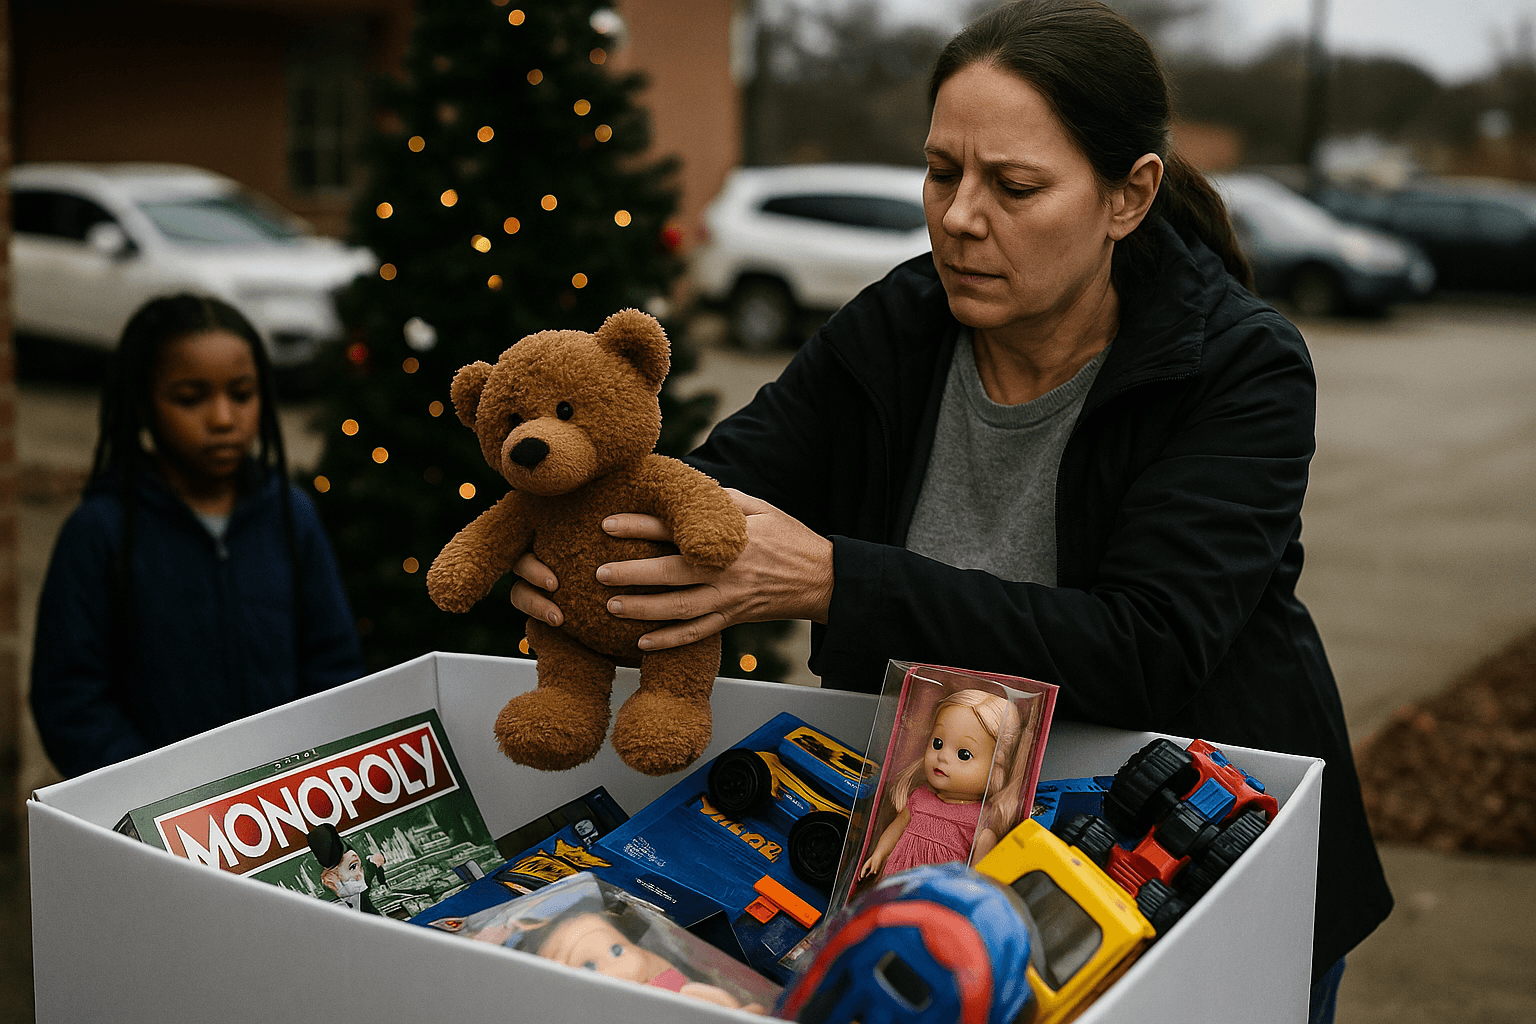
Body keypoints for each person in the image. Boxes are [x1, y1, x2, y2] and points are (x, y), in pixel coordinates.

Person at [511, 1, 1391, 1017]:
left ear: (1129, 194)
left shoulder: (1240, 366)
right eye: (942, 172)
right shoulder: (900, 320)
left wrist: (837, 579)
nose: (961, 216)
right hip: (931, 855)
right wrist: (592, 555)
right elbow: (720, 492)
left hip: (1194, 869)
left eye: (1015, 185)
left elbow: (1150, 644)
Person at [30, 294, 366, 777]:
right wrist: (149, 794)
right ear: (143, 405)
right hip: (156, 822)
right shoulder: (99, 530)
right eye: (191, 398)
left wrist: (305, 769)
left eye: (243, 394)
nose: (223, 419)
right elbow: (71, 697)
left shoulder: (292, 514)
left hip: (286, 806)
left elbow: (335, 666)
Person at [858, 688, 1024, 879]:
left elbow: (978, 876)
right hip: (898, 877)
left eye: (964, 755)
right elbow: (896, 828)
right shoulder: (919, 797)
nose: (943, 756)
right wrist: (878, 854)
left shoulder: (981, 820)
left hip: (940, 888)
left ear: (997, 766)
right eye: (937, 743)